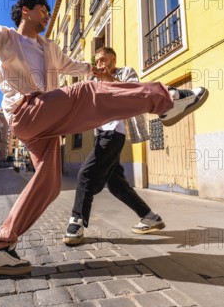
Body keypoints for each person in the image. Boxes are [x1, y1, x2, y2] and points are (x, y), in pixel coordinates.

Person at [0, 0, 209, 276]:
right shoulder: (5, 37)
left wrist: (100, 70)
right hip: (27, 114)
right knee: (85, 94)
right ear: (27, 12)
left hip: (45, 126)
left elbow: (81, 67)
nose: (47, 14)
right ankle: (166, 101)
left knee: (51, 181)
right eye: (43, 10)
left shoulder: (49, 47)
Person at [63, 47, 166, 246]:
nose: (100, 64)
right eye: (98, 61)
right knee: (117, 185)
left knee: (85, 174)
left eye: (103, 60)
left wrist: (109, 79)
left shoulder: (126, 72)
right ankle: (149, 216)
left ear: (113, 59)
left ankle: (76, 222)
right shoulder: (93, 82)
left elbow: (135, 92)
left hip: (115, 132)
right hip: (100, 133)